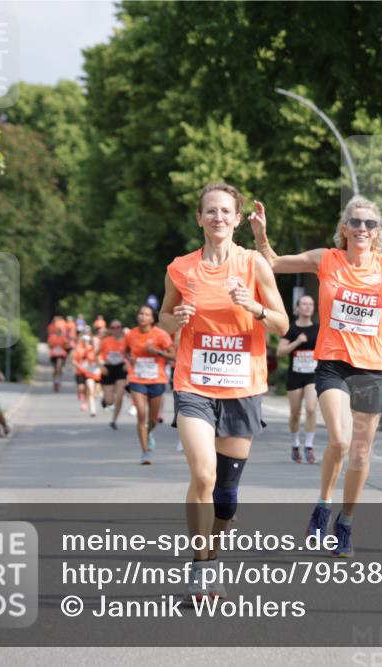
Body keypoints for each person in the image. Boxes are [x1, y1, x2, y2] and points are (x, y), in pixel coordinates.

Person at [250, 195, 382, 558]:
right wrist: (262, 236)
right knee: (340, 441)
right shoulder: (326, 259)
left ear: (377, 232)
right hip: (332, 364)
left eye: (369, 224)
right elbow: (274, 263)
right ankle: (323, 505)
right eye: (355, 223)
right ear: (344, 228)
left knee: (360, 453)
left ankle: (346, 522)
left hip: (371, 368)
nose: (362, 229)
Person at [160, 182, 287, 600]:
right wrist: (174, 319)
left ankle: (212, 555)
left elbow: (282, 325)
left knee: (226, 497)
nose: (218, 217)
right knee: (203, 473)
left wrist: (254, 308)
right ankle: (199, 567)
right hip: (193, 383)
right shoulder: (180, 267)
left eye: (225, 211)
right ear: (199, 218)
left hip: (241, 386)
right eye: (210, 211)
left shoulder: (254, 265)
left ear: (237, 219)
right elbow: (162, 318)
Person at [125, 304, 174, 464]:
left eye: (146, 314)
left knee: (152, 420)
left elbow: (173, 356)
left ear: (152, 318)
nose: (142, 317)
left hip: (156, 379)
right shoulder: (131, 334)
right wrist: (130, 359)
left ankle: (149, 432)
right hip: (137, 378)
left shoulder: (161, 335)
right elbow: (126, 351)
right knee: (141, 414)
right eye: (140, 313)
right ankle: (145, 452)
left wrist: (156, 352)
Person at [277, 294, 319, 463]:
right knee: (295, 413)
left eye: (310, 304)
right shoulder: (291, 329)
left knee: (310, 409)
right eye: (304, 304)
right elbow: (280, 352)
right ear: (298, 308)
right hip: (295, 375)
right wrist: (297, 342)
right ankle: (295, 445)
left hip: (313, 375)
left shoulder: (318, 329)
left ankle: (309, 446)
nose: (308, 306)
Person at [98, 319, 128, 430]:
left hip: (121, 368)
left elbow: (132, 353)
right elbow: (96, 355)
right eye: (113, 327)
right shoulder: (105, 341)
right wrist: (101, 366)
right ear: (110, 329)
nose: (116, 329)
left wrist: (128, 363)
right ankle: (105, 400)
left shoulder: (126, 340)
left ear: (121, 328)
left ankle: (114, 420)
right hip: (108, 368)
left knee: (119, 396)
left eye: (118, 327)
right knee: (110, 401)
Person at [74, 334, 102, 417]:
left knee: (96, 393)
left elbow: (105, 361)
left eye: (96, 342)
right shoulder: (87, 350)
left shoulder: (102, 350)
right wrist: (83, 367)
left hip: (99, 374)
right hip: (89, 374)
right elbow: (82, 360)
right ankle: (93, 410)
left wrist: (101, 363)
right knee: (90, 390)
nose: (95, 344)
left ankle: (92, 402)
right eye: (93, 342)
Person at [47, 315, 71, 392]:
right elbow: (49, 345)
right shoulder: (52, 337)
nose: (58, 332)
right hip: (54, 354)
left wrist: (65, 346)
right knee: (55, 369)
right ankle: (55, 381)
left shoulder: (63, 337)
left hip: (61, 354)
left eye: (60, 331)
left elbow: (67, 345)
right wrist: (53, 347)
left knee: (59, 367)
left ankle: (58, 380)